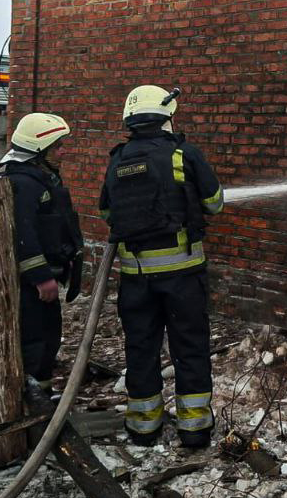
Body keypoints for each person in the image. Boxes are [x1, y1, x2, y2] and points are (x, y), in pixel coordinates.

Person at [100, 85, 224, 448]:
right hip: (183, 275)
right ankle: (194, 428)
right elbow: (215, 203)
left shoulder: (117, 159)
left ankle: (143, 426)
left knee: (140, 348)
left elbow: (108, 213)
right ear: (167, 116)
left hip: (135, 279)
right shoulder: (184, 154)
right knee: (189, 347)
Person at [0, 112, 84, 392]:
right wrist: (41, 277)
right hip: (32, 285)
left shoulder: (41, 179)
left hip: (45, 278)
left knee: (49, 336)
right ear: (38, 150)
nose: (64, 151)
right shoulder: (23, 184)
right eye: (57, 146)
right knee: (36, 339)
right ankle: (32, 395)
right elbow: (24, 236)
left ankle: (41, 390)